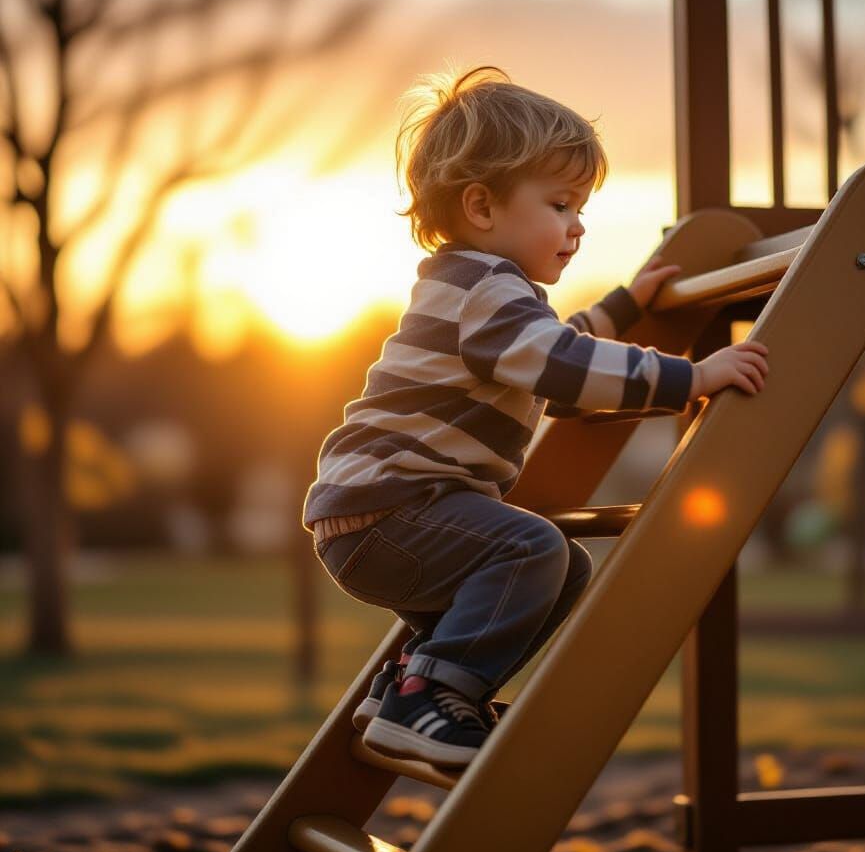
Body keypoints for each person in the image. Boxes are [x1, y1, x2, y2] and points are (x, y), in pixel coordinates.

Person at [301, 65, 769, 770]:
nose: (577, 226)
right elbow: (560, 365)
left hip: (378, 514)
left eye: (581, 208)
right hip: (395, 509)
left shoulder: (479, 292)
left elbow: (548, 350)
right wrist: (691, 377)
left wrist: (622, 307)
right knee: (533, 550)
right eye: (560, 205)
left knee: (564, 569)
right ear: (482, 207)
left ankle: (411, 687)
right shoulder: (487, 289)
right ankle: (430, 693)